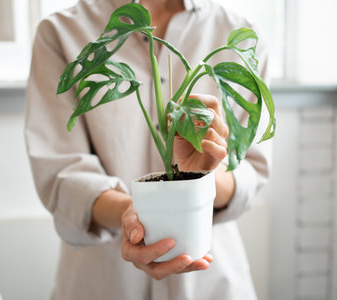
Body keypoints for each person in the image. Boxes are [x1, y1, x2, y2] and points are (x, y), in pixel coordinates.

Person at [25, 0, 272, 299]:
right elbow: (63, 176)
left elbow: (250, 172)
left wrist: (205, 172)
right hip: (105, 281)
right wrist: (131, 215)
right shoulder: (62, 32)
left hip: (209, 281)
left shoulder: (239, 34)